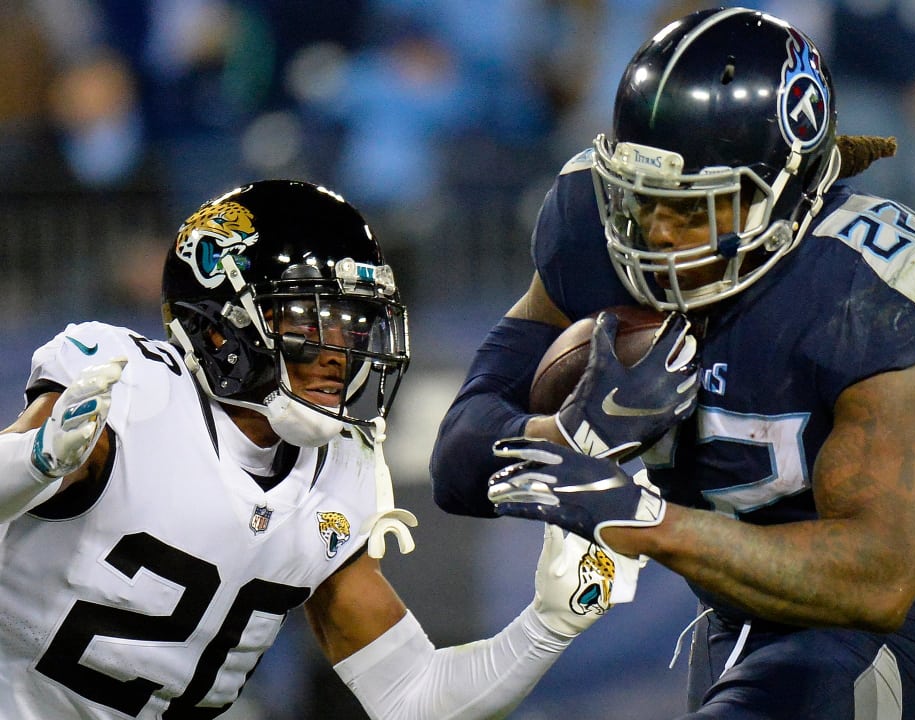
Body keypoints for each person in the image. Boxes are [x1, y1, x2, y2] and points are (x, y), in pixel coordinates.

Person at [430, 8, 915, 718]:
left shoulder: (862, 287)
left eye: (694, 209)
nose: (655, 233)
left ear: (784, 193)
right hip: (729, 624)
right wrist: (569, 437)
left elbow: (877, 577)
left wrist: (645, 516)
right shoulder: (591, 229)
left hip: (868, 638)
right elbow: (458, 457)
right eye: (642, 200)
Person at [0, 179, 637, 719]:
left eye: (357, 322)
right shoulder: (128, 391)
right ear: (222, 324)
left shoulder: (341, 473)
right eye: (311, 322)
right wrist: (34, 463)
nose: (340, 351)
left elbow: (411, 695)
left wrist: (547, 625)